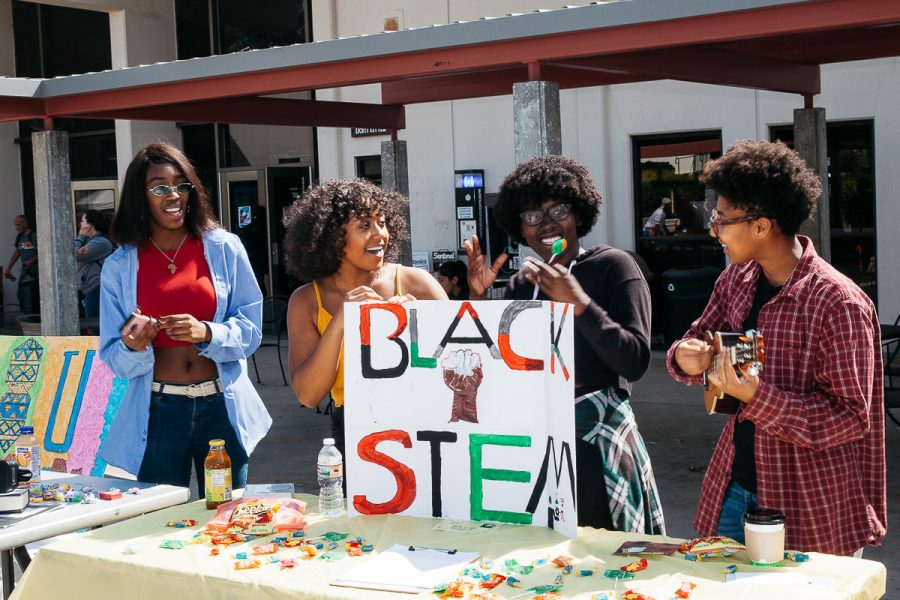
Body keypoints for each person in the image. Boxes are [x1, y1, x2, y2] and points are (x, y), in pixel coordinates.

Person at [667, 140, 886, 556]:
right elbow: (695, 339)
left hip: (811, 507)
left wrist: (756, 396)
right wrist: (684, 355)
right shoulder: (734, 281)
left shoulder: (838, 302)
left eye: (722, 219)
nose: (714, 231)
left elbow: (849, 419)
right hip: (734, 488)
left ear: (761, 226)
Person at [465, 155, 664, 534]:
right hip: (537, 441)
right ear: (520, 229)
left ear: (579, 214)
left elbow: (636, 361)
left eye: (557, 210)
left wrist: (581, 306)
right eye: (532, 217)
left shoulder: (615, 266)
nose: (547, 224)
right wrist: (478, 300)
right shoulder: (524, 283)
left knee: (603, 565)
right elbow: (495, 362)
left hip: (595, 449)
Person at [99, 142, 271, 496]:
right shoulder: (119, 266)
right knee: (159, 521)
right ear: (140, 196)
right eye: (160, 187)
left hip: (220, 406)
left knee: (225, 516)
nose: (173, 194)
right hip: (158, 411)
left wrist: (207, 331)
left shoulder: (224, 248)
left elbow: (252, 331)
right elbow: (113, 357)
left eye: (181, 184)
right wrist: (133, 346)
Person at [283, 178, 448, 457]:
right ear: (333, 237)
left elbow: (464, 361)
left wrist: (414, 325)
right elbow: (308, 396)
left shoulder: (417, 283)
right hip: (353, 431)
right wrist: (340, 323)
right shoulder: (307, 301)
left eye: (382, 222)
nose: (380, 234)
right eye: (364, 225)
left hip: (425, 423)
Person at [74, 210, 114, 319]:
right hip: (88, 288)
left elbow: (75, 255)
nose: (80, 225)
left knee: (94, 323)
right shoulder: (91, 241)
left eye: (83, 221)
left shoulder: (100, 242)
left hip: (96, 288)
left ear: (90, 225)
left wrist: (80, 236)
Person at [4, 215, 40, 315]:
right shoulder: (19, 237)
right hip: (25, 273)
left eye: (18, 225)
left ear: (25, 224)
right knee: (22, 295)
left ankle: (35, 319)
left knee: (33, 298)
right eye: (16, 225)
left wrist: (31, 261)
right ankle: (27, 318)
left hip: (35, 273)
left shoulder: (33, 236)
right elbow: (17, 252)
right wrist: (9, 268)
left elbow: (42, 252)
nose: (17, 227)